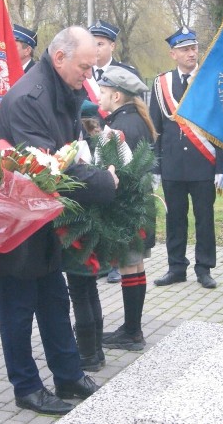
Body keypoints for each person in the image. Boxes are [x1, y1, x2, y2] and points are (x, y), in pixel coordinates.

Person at [0, 26, 119, 416]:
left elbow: (70, 152)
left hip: (42, 217)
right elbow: (45, 168)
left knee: (53, 300)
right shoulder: (30, 98)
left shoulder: (64, 88)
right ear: (60, 58)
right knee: (17, 308)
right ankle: (26, 386)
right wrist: (105, 181)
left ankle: (67, 374)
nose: (89, 76)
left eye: (93, 68)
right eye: (85, 67)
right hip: (14, 221)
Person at [150, 26, 223, 290]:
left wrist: (221, 167)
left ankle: (204, 268)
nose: (192, 53)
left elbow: (220, 126)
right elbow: (155, 128)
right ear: (173, 54)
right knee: (175, 218)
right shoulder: (161, 84)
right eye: (185, 49)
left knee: (205, 218)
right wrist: (155, 166)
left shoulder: (210, 80)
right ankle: (176, 267)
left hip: (203, 162)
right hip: (172, 164)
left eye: (193, 48)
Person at [96, 65, 157, 351]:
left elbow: (116, 172)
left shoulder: (120, 126)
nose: (99, 97)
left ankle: (132, 332)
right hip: (140, 206)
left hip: (127, 208)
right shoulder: (136, 119)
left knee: (130, 264)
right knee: (134, 265)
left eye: (104, 92)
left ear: (117, 96)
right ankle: (132, 328)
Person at [88, 20, 140, 284]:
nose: (95, 49)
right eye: (92, 43)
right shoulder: (83, 72)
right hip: (91, 141)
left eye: (100, 43)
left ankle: (116, 263)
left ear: (111, 45)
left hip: (120, 139)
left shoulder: (125, 73)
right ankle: (99, 257)